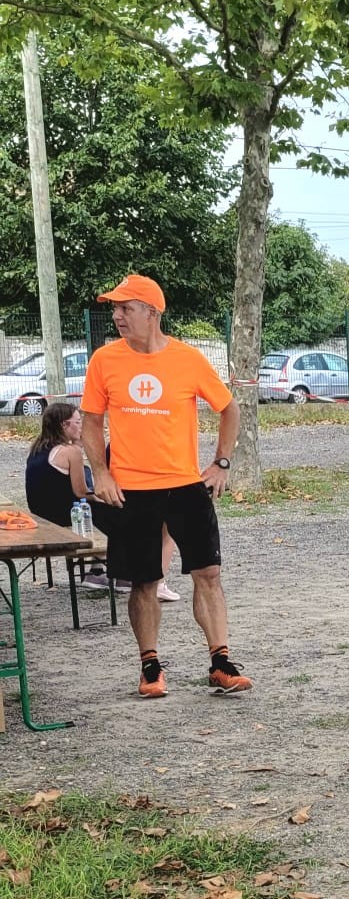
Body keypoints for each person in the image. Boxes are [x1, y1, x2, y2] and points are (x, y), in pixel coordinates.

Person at [80, 274, 250, 698]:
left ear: (152, 312)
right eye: (115, 309)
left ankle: (221, 663)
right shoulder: (105, 360)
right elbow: (89, 423)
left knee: (208, 573)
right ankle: (150, 668)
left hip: (186, 486)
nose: (117, 316)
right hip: (131, 491)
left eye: (126, 308)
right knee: (144, 581)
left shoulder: (188, 359)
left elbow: (229, 409)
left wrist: (221, 463)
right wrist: (101, 473)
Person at [24, 403, 181, 598]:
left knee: (109, 510)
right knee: (125, 512)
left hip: (41, 513)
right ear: (64, 425)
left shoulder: (38, 448)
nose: (82, 427)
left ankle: (97, 572)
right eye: (78, 422)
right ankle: (128, 576)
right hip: (65, 515)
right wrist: (107, 495)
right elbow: (81, 491)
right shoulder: (70, 452)